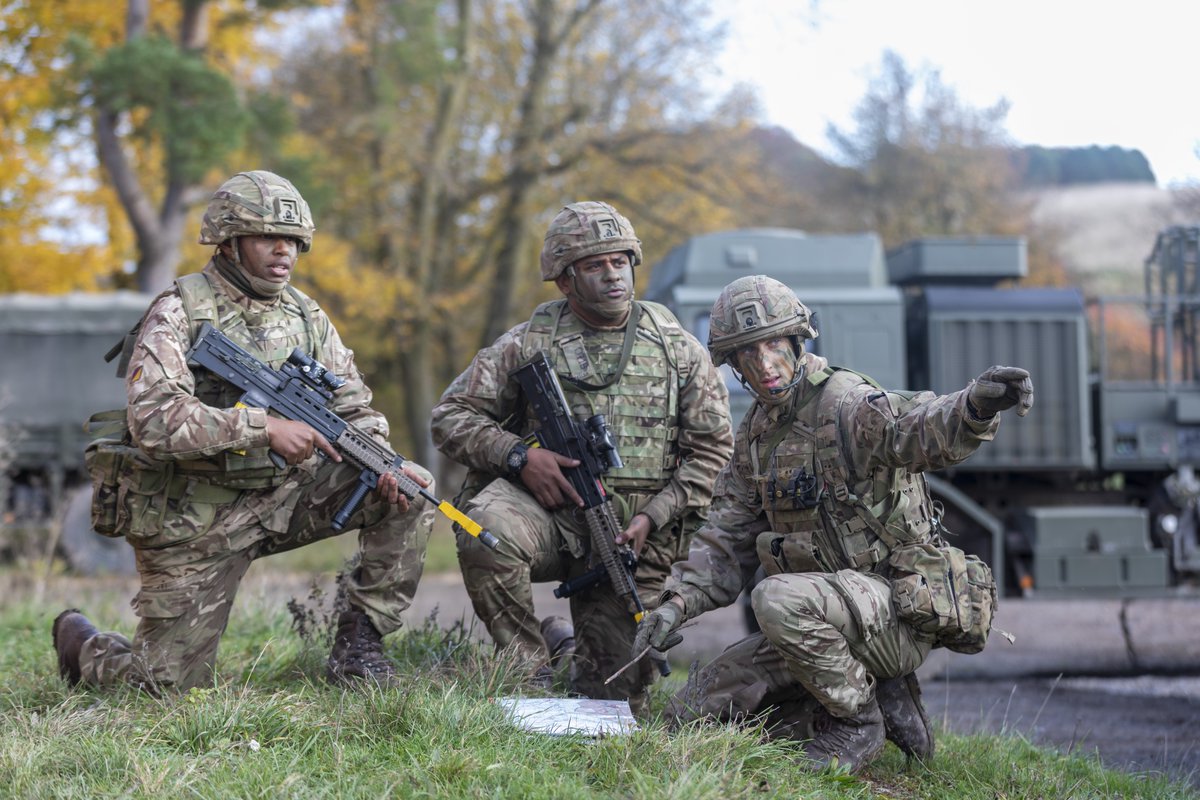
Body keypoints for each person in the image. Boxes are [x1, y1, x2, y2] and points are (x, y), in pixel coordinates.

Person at [53, 170, 436, 692]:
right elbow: (153, 420)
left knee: (411, 488)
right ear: (229, 243)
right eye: (267, 238)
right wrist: (263, 426)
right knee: (162, 689)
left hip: (281, 496)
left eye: (293, 241)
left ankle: (359, 651)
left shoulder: (308, 316)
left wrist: (380, 461)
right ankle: (84, 647)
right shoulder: (179, 310)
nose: (284, 252)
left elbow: (355, 410)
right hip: (193, 516)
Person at [633, 274, 1033, 771]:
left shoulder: (847, 404)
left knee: (774, 599)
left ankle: (857, 723)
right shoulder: (756, 436)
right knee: (692, 711)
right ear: (733, 366)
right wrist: (674, 605)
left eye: (772, 345)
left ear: (798, 340)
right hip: (825, 623)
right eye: (746, 356)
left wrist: (974, 406)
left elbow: (919, 427)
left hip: (894, 612)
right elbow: (724, 541)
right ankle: (882, 699)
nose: (764, 365)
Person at [430, 201, 733, 713]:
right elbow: (450, 417)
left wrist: (652, 514)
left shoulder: (678, 348)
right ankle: (527, 677)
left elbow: (713, 451)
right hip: (546, 516)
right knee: (485, 531)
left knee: (610, 697)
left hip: (632, 540)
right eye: (595, 266)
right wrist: (519, 457)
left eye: (620, 262)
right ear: (565, 282)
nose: (613, 276)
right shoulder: (529, 340)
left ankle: (565, 642)